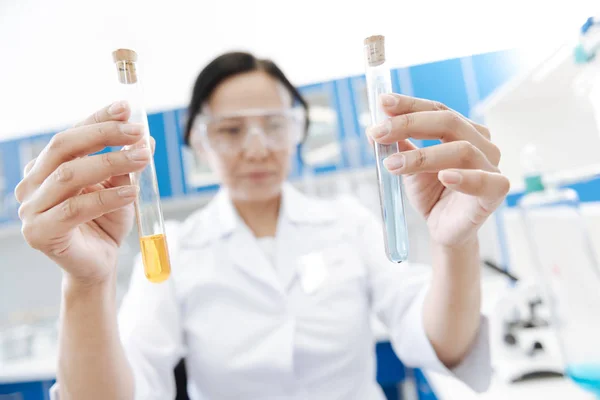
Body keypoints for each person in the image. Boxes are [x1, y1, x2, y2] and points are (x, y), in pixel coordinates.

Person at [15, 51, 509, 400]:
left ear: (297, 130)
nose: (257, 148)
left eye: (273, 124)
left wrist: (456, 244)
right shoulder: (176, 252)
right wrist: (86, 282)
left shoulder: (348, 223)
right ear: (199, 145)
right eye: (230, 130)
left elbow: (442, 341)